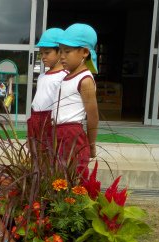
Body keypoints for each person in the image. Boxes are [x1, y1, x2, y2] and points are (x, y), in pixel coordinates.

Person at [53, 23, 99, 175]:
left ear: (85, 52)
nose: (62, 56)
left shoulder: (85, 80)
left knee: (73, 177)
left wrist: (91, 144)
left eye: (67, 51)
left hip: (72, 135)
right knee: (58, 177)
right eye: (60, 51)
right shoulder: (67, 76)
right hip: (57, 132)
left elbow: (93, 116)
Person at [26, 28, 67, 150]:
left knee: (49, 156)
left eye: (47, 53)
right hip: (35, 119)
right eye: (41, 53)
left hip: (50, 120)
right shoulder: (42, 76)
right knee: (35, 156)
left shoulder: (64, 76)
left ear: (60, 52)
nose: (43, 57)